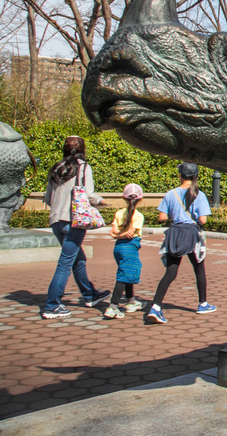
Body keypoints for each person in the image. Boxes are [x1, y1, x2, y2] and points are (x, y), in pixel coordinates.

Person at [42, 136, 109, 319]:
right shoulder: (84, 167)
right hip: (75, 221)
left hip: (56, 220)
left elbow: (48, 198)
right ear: (82, 149)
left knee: (78, 258)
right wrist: (101, 202)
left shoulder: (56, 167)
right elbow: (88, 194)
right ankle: (52, 305)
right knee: (65, 263)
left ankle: (90, 294)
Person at [147, 163, 216, 323]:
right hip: (192, 234)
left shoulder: (171, 194)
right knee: (199, 269)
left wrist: (176, 216)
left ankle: (155, 307)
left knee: (170, 273)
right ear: (195, 176)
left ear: (180, 175)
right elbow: (203, 220)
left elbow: (162, 217)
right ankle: (203, 304)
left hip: (175, 233)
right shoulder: (199, 195)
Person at [104, 184, 145, 319]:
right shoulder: (138, 216)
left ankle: (130, 300)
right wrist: (120, 235)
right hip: (129, 248)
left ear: (124, 197)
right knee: (124, 276)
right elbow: (130, 234)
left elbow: (115, 231)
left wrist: (116, 236)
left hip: (118, 248)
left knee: (128, 272)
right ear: (141, 199)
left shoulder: (119, 213)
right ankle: (113, 306)